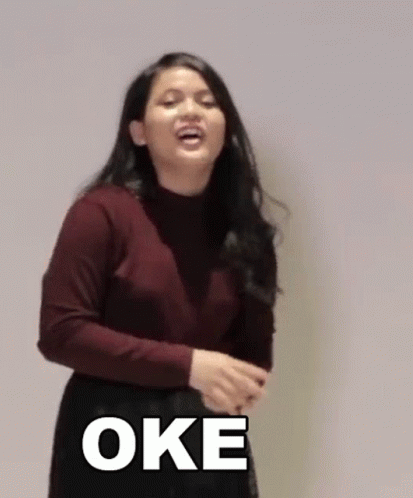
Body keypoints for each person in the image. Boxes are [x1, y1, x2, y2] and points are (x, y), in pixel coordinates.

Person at [38, 52, 287, 497]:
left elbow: (252, 357)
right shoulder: (101, 213)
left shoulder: (248, 234)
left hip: (203, 439)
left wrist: (239, 386)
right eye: (170, 102)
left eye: (207, 102)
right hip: (111, 431)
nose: (191, 111)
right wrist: (188, 366)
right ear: (139, 132)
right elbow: (62, 332)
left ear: (225, 128)